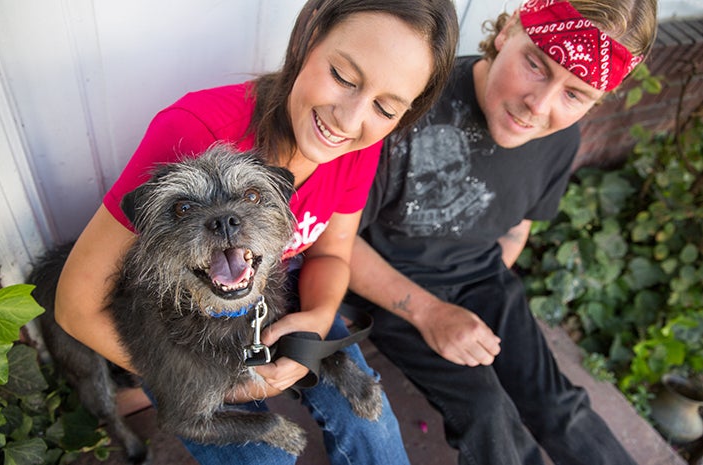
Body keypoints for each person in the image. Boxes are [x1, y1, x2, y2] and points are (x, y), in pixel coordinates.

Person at [54, 0, 459, 463]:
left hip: (278, 295)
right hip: (175, 327)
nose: (349, 119)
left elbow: (330, 253)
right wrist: (219, 388)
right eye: (344, 77)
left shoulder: (360, 143)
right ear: (308, 37)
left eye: (387, 108)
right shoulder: (194, 130)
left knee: (373, 424)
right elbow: (74, 306)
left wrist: (320, 317)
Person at [344, 0, 658, 464]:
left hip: (485, 278)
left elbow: (517, 224)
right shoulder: (413, 103)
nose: (540, 106)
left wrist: (486, 300)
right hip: (392, 284)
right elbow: (337, 239)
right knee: (487, 411)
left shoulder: (559, 138)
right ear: (508, 30)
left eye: (576, 94)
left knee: (558, 406)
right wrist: (432, 313)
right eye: (536, 65)